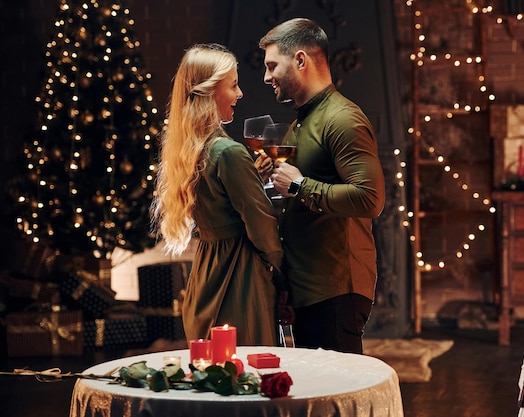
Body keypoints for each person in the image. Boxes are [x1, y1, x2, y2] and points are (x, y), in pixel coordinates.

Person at [258, 18, 386, 354]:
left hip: (335, 289)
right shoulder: (301, 122)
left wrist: (300, 186)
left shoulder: (343, 118)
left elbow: (370, 199)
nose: (266, 77)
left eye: (272, 66)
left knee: (338, 402)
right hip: (305, 289)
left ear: (300, 60)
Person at [151, 43, 286, 347]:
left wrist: (252, 174)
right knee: (249, 377)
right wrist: (283, 275)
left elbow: (218, 200)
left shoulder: (190, 150)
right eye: (234, 85)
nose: (240, 95)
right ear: (210, 91)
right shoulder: (229, 153)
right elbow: (262, 227)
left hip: (205, 275)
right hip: (240, 279)